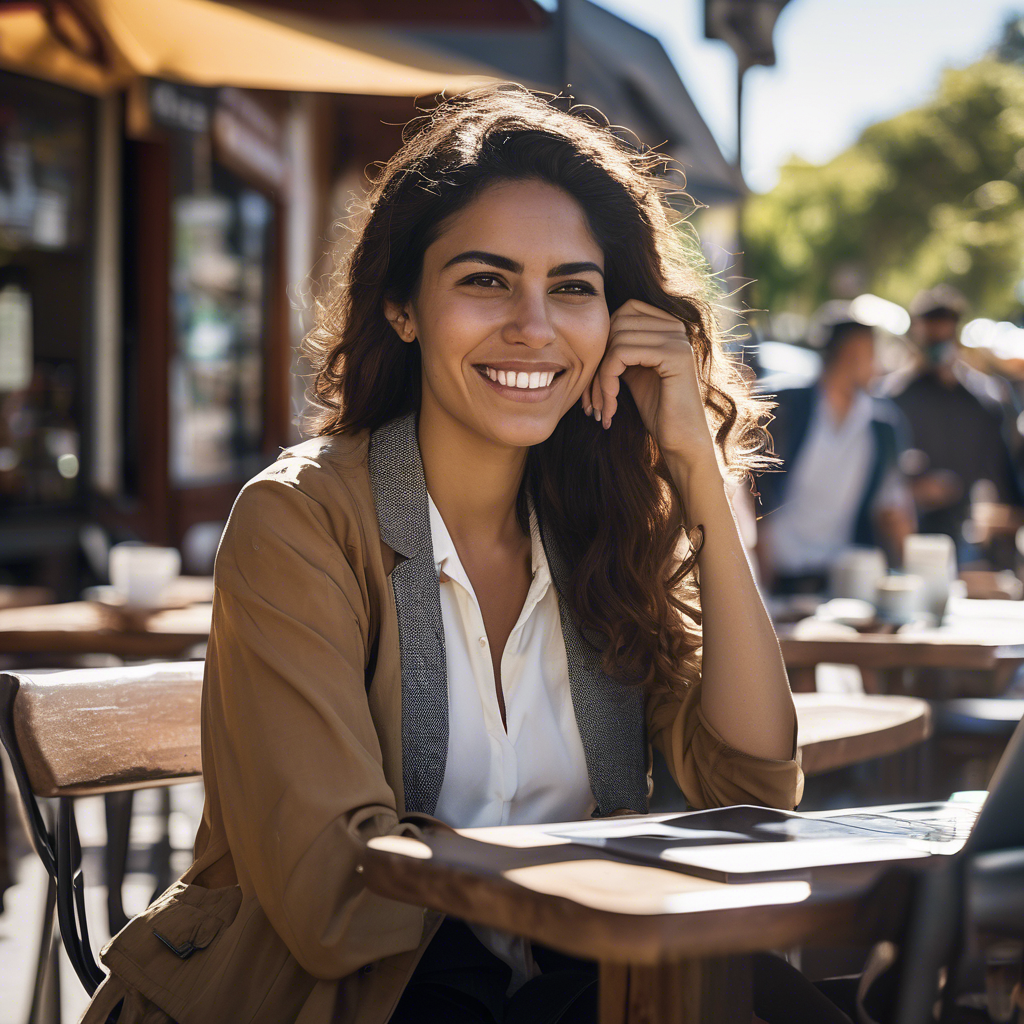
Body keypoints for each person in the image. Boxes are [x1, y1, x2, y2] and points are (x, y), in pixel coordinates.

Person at [82, 85, 807, 1024]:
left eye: (574, 289)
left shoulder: (604, 530)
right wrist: (594, 873)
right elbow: (332, 894)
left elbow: (749, 796)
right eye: (485, 279)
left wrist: (697, 477)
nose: (534, 326)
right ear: (403, 308)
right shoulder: (299, 522)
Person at [758, 303, 915, 594]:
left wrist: (910, 574)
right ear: (852, 353)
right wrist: (762, 563)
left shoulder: (883, 426)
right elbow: (755, 486)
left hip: (846, 579)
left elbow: (892, 507)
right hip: (779, 573)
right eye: (872, 355)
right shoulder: (787, 408)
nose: (876, 367)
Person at [884, 284, 1024, 546]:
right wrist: (912, 489)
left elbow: (1005, 486)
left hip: (966, 539)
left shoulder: (984, 402)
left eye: (945, 331)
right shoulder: (893, 398)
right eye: (931, 334)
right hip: (906, 536)